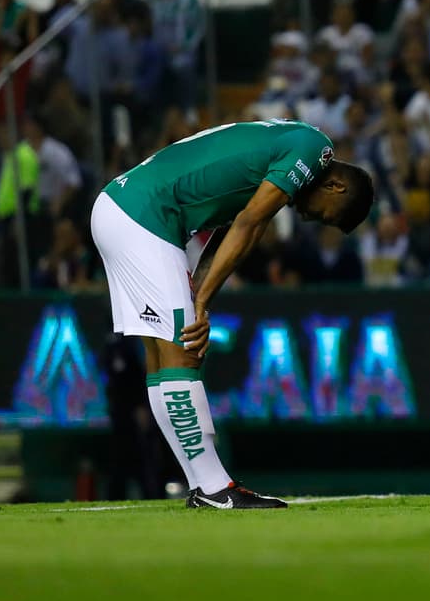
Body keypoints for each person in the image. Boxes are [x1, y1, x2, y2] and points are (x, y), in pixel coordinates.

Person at [89, 119, 374, 509]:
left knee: (162, 357)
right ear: (335, 186)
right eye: (327, 215)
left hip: (125, 208)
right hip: (145, 216)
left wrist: (201, 295)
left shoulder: (284, 150)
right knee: (182, 350)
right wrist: (201, 304)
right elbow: (249, 222)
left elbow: (239, 226)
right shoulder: (314, 148)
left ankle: (202, 485)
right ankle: (214, 488)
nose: (311, 219)